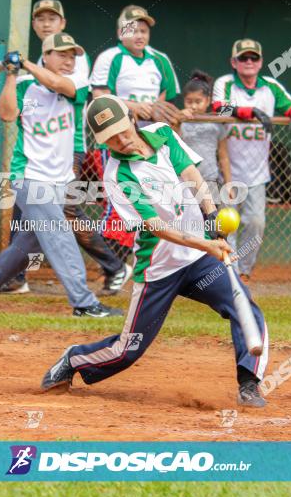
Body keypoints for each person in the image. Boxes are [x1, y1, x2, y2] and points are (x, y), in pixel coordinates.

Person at [40, 95, 271, 408]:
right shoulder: (118, 176)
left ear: (132, 120)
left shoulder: (162, 134)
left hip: (200, 260)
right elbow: (156, 227)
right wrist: (207, 243)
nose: (121, 140)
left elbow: (191, 174)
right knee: (128, 350)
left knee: (245, 308)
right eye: (111, 138)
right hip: (159, 269)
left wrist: (211, 212)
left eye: (123, 130)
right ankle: (74, 359)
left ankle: (249, 383)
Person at [0, 33, 122, 318]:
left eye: (72, 55)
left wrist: (23, 63)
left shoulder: (77, 84)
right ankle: (84, 303)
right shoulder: (24, 86)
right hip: (30, 176)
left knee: (26, 246)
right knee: (60, 235)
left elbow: (57, 83)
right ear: (46, 56)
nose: (68, 60)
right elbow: (8, 114)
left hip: (61, 179)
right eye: (61, 54)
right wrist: (12, 74)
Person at [0, 0, 130, 296]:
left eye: (53, 18)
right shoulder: (33, 69)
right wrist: (10, 81)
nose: (46, 23)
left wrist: (25, 66)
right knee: (27, 209)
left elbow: (62, 86)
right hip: (38, 152)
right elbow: (25, 103)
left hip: (69, 147)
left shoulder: (75, 58)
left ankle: (114, 266)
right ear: (34, 24)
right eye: (41, 18)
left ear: (63, 23)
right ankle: (16, 275)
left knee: (66, 209)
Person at [90, 5, 181, 265]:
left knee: (155, 198)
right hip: (118, 136)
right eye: (133, 30)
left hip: (149, 139)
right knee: (118, 199)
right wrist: (132, 107)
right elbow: (99, 97)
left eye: (143, 30)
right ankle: (115, 265)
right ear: (120, 33)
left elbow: (165, 99)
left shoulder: (160, 59)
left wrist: (154, 112)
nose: (139, 35)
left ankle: (140, 260)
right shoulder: (110, 57)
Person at [212, 39, 291, 281]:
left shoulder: (270, 87)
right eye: (243, 58)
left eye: (254, 58)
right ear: (233, 62)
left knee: (256, 224)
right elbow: (216, 108)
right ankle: (226, 270)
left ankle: (243, 270)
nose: (249, 62)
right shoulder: (225, 83)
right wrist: (247, 112)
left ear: (261, 62)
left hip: (257, 172)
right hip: (227, 170)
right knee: (226, 223)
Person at [175, 70, 232, 205]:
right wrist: (178, 120)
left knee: (211, 220)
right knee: (187, 222)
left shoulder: (217, 124)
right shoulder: (180, 122)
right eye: (189, 101)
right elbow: (173, 141)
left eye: (198, 101)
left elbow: (223, 156)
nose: (193, 106)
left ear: (208, 101)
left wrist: (229, 184)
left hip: (210, 180)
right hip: (184, 180)